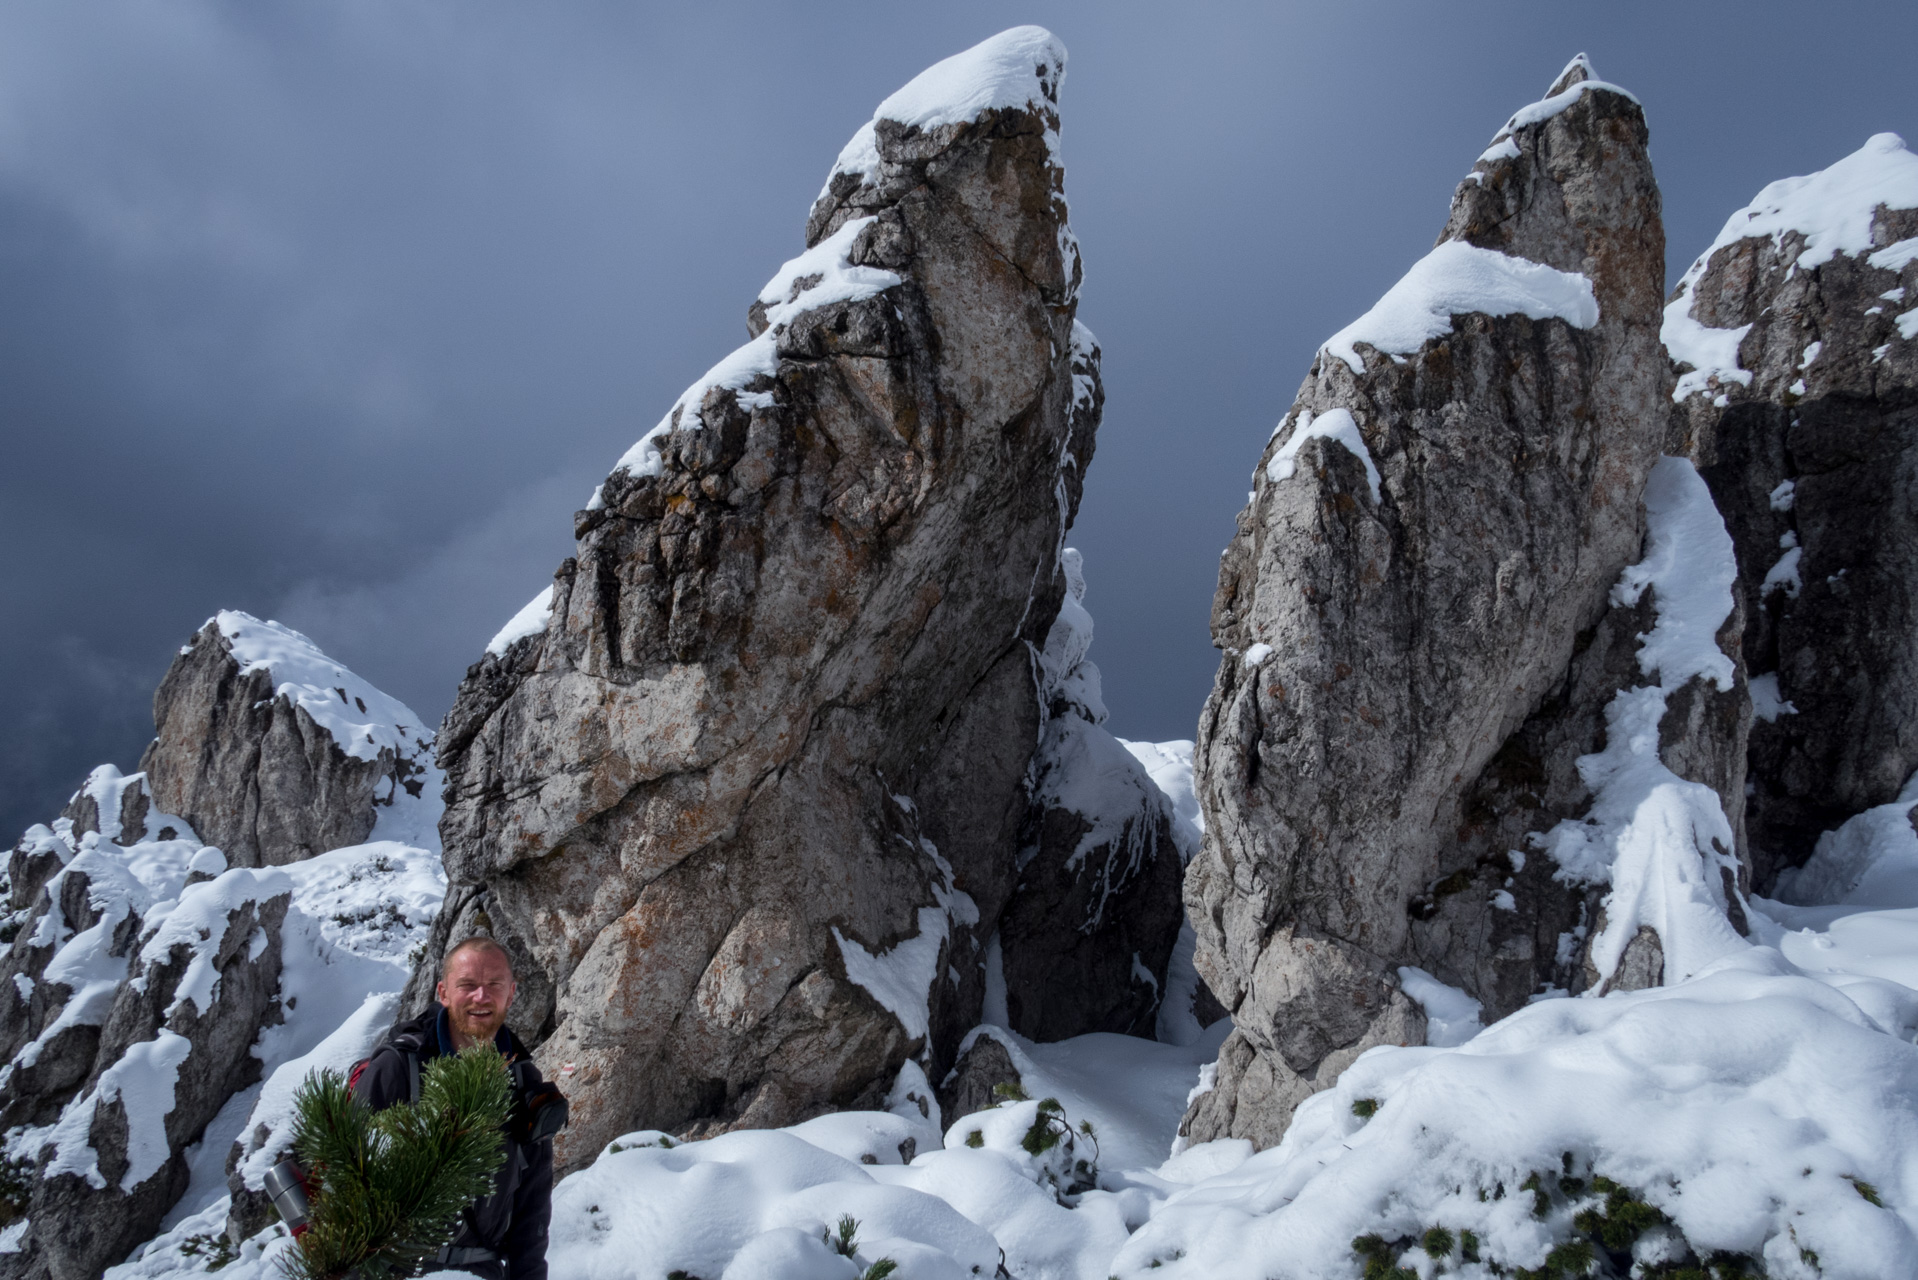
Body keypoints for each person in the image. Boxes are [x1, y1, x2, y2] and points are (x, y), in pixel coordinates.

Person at [351, 936, 556, 1280]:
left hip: (481, 1271)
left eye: (494, 984)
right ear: (443, 993)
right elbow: (347, 1189)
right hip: (396, 1271)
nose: (482, 996)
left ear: (512, 992)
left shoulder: (523, 1081)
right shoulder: (399, 1068)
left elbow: (532, 1207)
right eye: (468, 985)